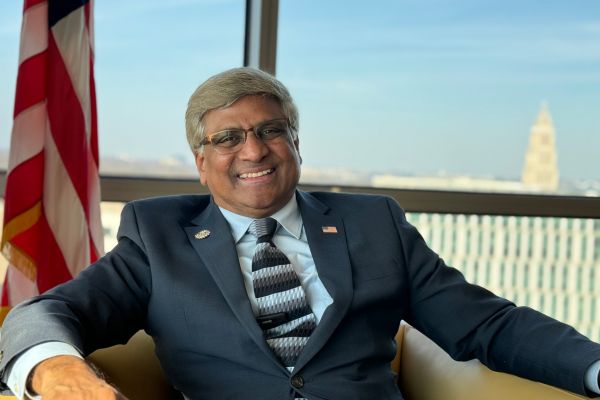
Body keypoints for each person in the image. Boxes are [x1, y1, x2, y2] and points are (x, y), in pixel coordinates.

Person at [1, 67, 600, 400]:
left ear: (295, 142)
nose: (253, 151)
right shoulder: (158, 236)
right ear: (201, 162)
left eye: (271, 130)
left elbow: (487, 323)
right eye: (228, 138)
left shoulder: (375, 224)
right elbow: (44, 313)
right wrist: (58, 372)